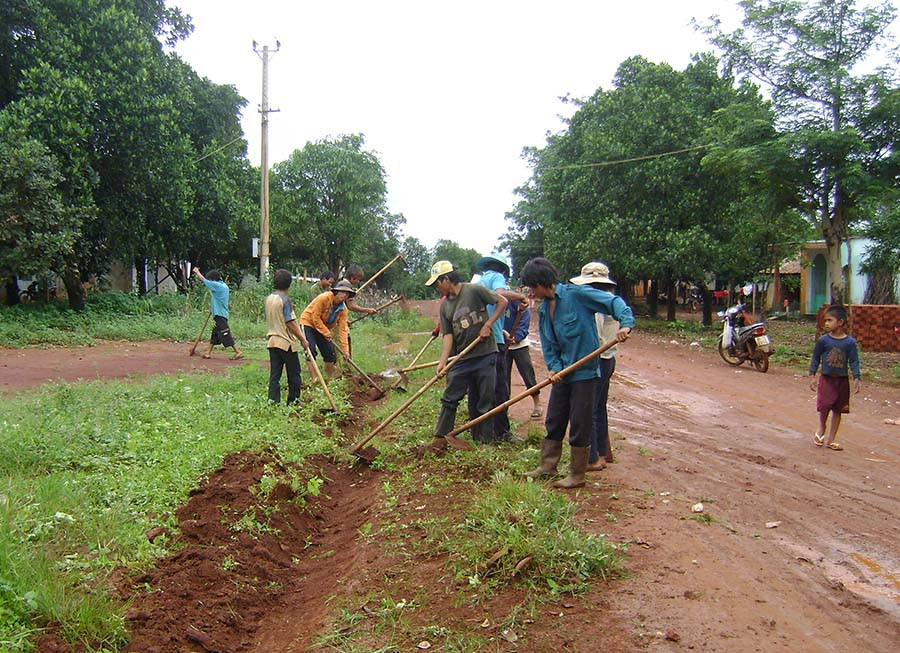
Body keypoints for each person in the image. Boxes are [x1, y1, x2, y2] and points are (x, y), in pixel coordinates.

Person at [520, 257, 634, 489]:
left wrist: (625, 323)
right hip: (563, 373)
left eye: (532, 287)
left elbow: (615, 304)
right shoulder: (544, 309)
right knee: (554, 418)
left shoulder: (577, 295)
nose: (532, 292)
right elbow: (548, 343)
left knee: (580, 422)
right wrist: (553, 367)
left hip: (585, 372)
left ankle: (576, 474)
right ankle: (547, 465)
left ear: (541, 283)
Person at [425, 260, 507, 451]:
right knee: (450, 397)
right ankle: (440, 438)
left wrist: (488, 325)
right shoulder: (445, 307)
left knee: (485, 400)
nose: (437, 288)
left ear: (446, 279)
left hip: (485, 353)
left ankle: (485, 442)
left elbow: (502, 302)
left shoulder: (474, 290)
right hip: (463, 358)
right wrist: (443, 363)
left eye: (437, 283)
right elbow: (447, 336)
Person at [467, 253, 527, 442]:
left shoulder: (477, 283)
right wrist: (520, 296)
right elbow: (499, 295)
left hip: (479, 340)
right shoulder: (496, 278)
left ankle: (477, 431)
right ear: (502, 270)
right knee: (500, 387)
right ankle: (501, 432)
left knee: (477, 387)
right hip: (494, 343)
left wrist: (505, 333)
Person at [570, 262, 620, 471]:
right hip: (609, 359)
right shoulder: (612, 301)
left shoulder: (596, 306)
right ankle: (602, 452)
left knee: (587, 408)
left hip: (596, 361)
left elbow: (596, 336)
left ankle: (592, 458)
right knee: (599, 407)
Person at [809, 305, 861, 450]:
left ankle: (831, 439)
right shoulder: (823, 341)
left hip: (842, 380)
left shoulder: (849, 342)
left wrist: (856, 377)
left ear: (840, 322)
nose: (826, 323)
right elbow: (816, 358)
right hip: (826, 379)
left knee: (838, 409)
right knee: (825, 405)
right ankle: (821, 428)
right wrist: (812, 375)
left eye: (829, 320)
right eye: (825, 321)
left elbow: (854, 361)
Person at [265, 269, 310, 404]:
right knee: (294, 373)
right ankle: (294, 400)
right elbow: (289, 323)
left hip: (272, 341)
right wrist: (303, 339)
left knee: (275, 375)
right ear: (289, 284)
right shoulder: (285, 300)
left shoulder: (269, 298)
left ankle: (272, 401)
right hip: (286, 342)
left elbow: (276, 314)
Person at [300, 279, 356, 380]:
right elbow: (315, 318)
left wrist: (345, 351)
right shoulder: (323, 298)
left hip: (324, 327)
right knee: (310, 350)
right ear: (336, 292)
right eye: (342, 292)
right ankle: (314, 379)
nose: (344, 295)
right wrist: (326, 332)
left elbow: (343, 329)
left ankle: (329, 379)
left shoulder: (343, 310)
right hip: (309, 323)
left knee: (330, 353)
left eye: (347, 294)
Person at [504, 291, 543, 419]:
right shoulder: (497, 302)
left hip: (519, 345)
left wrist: (516, 337)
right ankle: (503, 409)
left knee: (528, 374)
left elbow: (524, 323)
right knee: (503, 379)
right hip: (503, 346)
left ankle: (537, 404)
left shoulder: (519, 303)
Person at [193, 267, 243, 360]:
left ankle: (238, 351)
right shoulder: (223, 285)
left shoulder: (218, 286)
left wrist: (197, 272)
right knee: (215, 335)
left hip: (220, 315)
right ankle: (208, 352)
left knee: (225, 333)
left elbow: (204, 280)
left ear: (213, 279)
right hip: (219, 314)